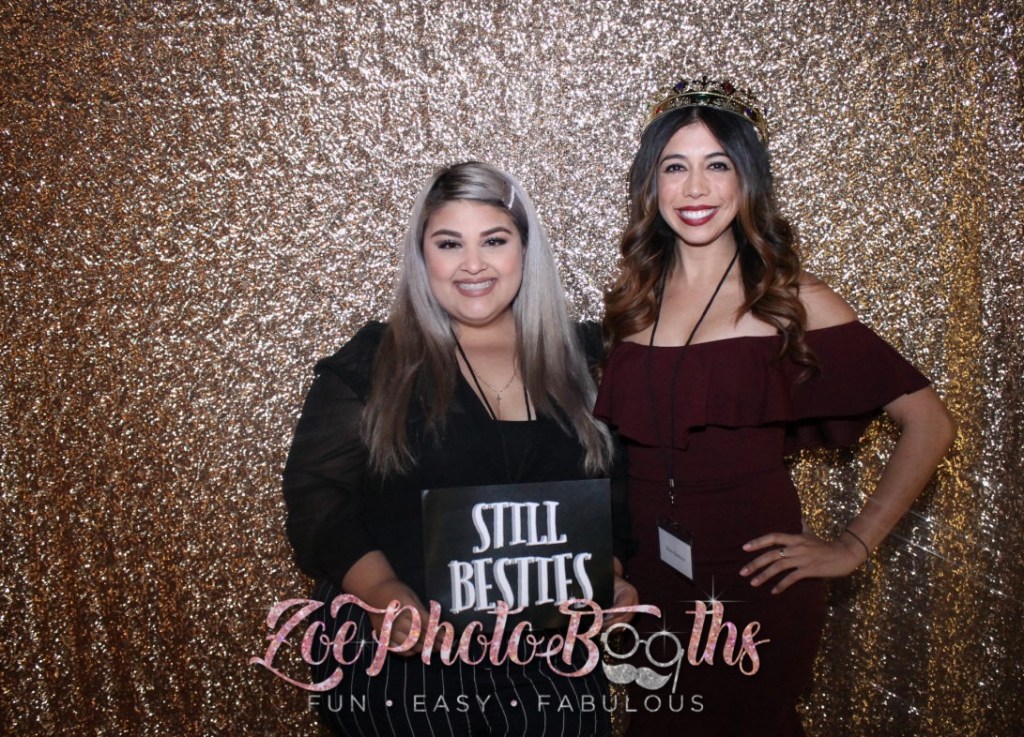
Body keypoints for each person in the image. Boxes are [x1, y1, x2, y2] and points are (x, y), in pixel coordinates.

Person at [594, 77, 955, 736]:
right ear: (651, 182)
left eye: (717, 165)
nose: (695, 188)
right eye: (675, 167)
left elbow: (929, 422)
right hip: (647, 579)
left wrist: (853, 544)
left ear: (747, 179)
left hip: (753, 582)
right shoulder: (632, 300)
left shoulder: (791, 298)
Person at [283, 161, 637, 737]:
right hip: (407, 669)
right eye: (449, 243)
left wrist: (609, 579)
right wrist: (381, 593)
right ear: (422, 256)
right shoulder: (377, 362)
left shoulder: (589, 359)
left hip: (551, 665)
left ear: (526, 249)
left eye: (494, 240)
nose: (473, 264)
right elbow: (318, 500)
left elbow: (615, 501)